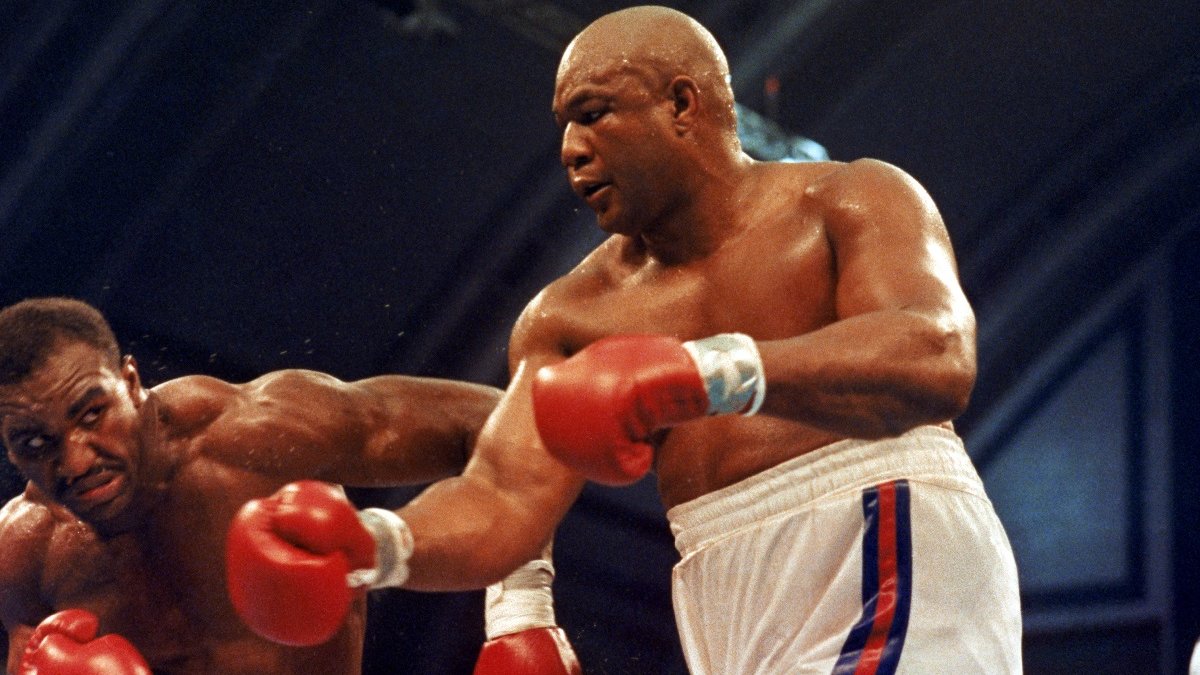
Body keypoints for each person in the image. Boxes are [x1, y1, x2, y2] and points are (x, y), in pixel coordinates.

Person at [228, 5, 1023, 673]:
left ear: (681, 104)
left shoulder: (847, 198)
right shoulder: (569, 315)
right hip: (722, 590)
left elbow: (934, 353)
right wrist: (372, 544)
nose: (571, 150)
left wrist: (703, 371)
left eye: (593, 113)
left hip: (883, 530)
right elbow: (503, 498)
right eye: (564, 126)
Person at [0, 297, 581, 674]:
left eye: (92, 414)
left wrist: (521, 614)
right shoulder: (24, 554)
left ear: (131, 381)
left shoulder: (257, 437)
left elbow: (514, 421)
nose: (75, 461)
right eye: (34, 443)